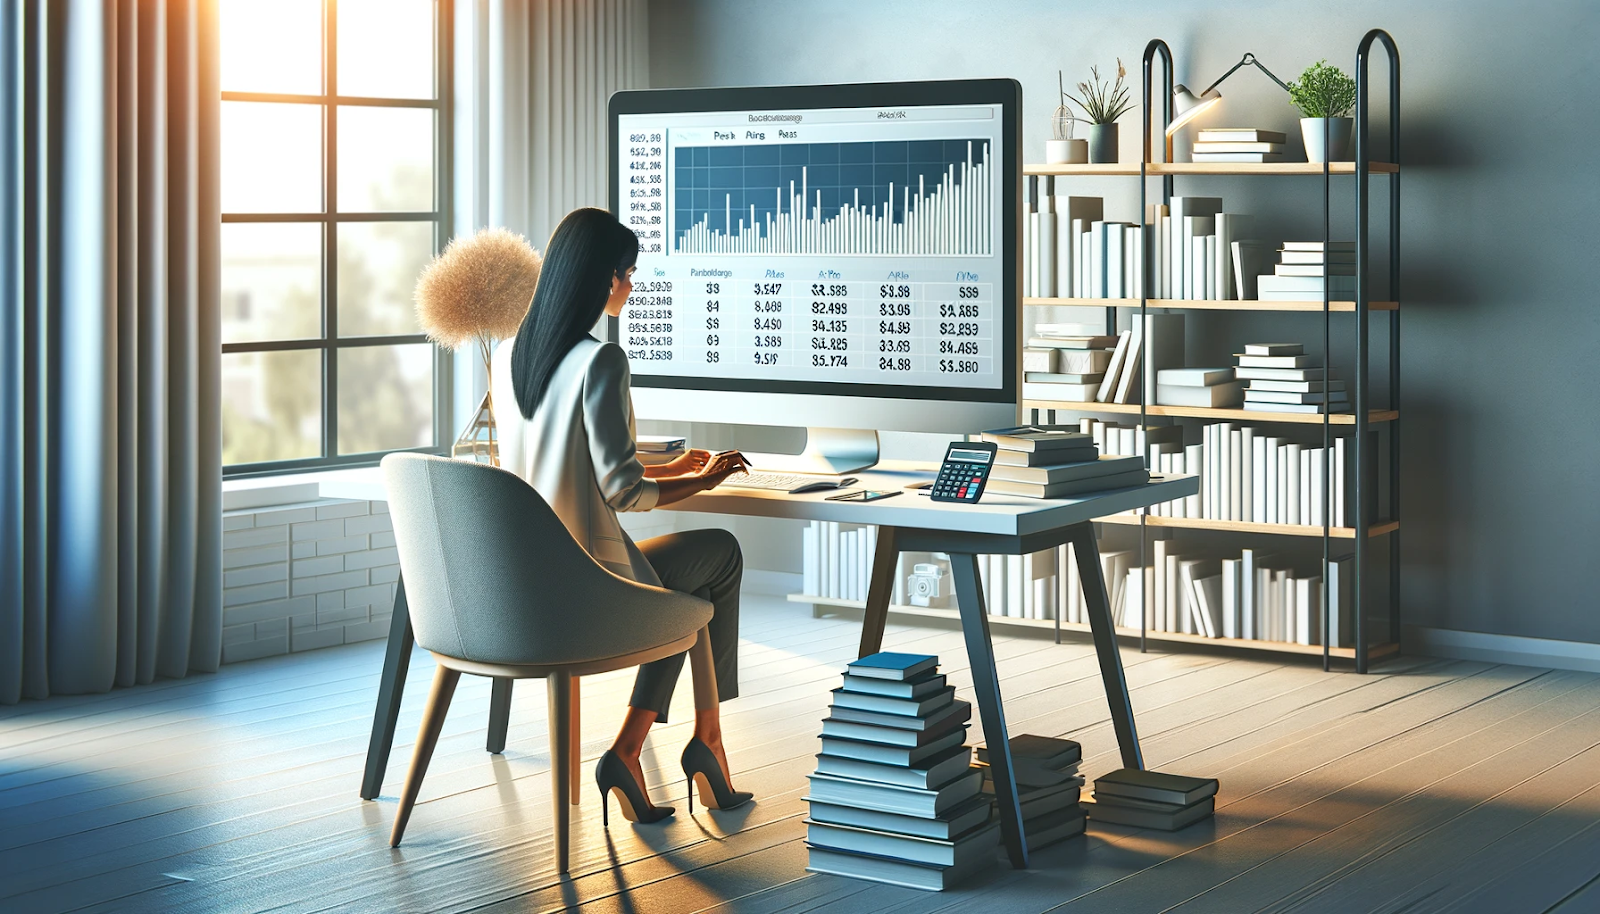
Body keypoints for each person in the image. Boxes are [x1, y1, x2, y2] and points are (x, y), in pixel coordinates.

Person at [491, 207, 752, 824]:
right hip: (589, 589)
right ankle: (696, 744)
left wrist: (673, 469)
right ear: (604, 279)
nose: (632, 289)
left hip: (528, 584)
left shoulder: (508, 357)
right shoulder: (601, 361)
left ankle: (639, 752)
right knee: (720, 558)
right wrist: (701, 479)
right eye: (629, 274)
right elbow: (623, 494)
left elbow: (579, 464)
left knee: (687, 586)